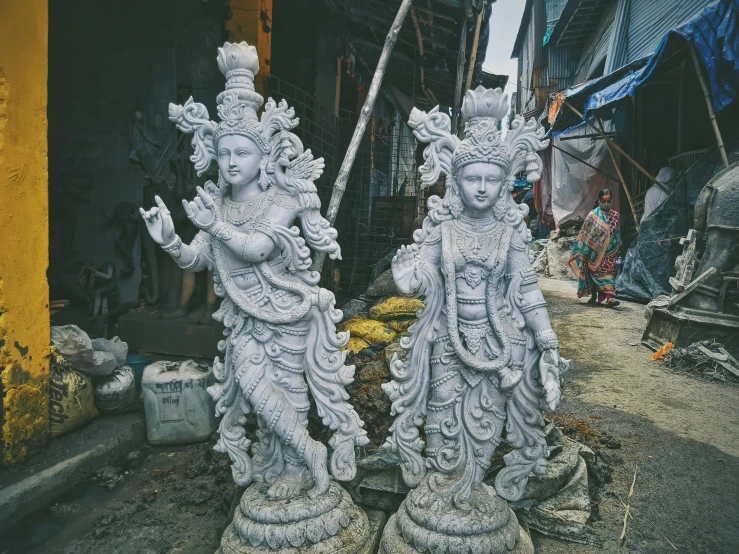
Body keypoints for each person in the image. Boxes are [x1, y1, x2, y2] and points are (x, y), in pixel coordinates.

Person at [569, 188, 622, 307]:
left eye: (609, 201)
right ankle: (594, 296)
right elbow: (585, 233)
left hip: (609, 253)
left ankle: (609, 298)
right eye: (604, 201)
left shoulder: (615, 216)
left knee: (608, 274)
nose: (606, 204)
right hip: (593, 252)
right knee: (592, 273)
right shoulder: (593, 215)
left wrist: (618, 248)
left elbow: (617, 234)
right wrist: (585, 249)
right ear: (599, 200)